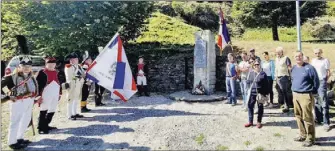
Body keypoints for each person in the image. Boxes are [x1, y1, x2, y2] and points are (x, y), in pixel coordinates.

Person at [1, 35, 38, 149]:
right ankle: (12, 142)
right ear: (19, 66)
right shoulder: (12, 77)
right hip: (17, 101)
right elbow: (3, 87)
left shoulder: (31, 76)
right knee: (15, 121)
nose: (26, 68)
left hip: (29, 101)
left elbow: (33, 88)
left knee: (25, 119)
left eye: (28, 66)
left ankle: (20, 138)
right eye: (24, 66)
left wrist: (34, 97)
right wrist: (11, 96)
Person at [291, 51, 319, 147]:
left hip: (306, 95)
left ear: (302, 57)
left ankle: (311, 138)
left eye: (299, 56)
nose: (298, 58)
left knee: (307, 117)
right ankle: (302, 134)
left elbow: (316, 81)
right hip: (295, 94)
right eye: (296, 56)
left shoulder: (309, 68)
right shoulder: (294, 68)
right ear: (294, 58)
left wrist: (313, 91)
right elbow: (293, 79)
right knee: (298, 115)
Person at [35, 57, 62, 134]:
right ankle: (41, 127)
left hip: (55, 93)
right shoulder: (42, 72)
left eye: (53, 64)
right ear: (46, 64)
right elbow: (37, 85)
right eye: (49, 64)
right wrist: (38, 95)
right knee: (44, 110)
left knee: (52, 109)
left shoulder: (57, 72)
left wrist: (60, 93)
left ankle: (46, 124)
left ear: (55, 64)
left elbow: (59, 83)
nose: (51, 65)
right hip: (45, 94)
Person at [311, 48, 331, 132]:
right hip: (314, 81)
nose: (317, 54)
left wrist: (325, 80)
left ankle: (326, 122)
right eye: (315, 53)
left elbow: (328, 72)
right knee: (316, 101)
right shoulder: (313, 61)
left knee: (323, 101)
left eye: (318, 53)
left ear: (321, 53)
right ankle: (319, 119)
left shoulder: (325, 60)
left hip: (322, 81)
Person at [245, 60, 269, 128]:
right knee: (250, 106)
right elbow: (248, 82)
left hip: (260, 93)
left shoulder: (263, 74)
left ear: (260, 65)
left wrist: (265, 94)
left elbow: (266, 84)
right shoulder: (251, 73)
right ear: (253, 66)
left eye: (258, 64)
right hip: (252, 92)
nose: (256, 66)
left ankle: (259, 122)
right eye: (255, 65)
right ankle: (250, 121)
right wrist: (248, 89)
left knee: (260, 107)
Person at [64, 52, 85, 120]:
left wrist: (83, 75)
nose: (75, 60)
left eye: (76, 59)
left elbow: (83, 73)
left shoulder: (79, 66)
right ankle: (69, 115)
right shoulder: (68, 67)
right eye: (73, 59)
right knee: (70, 100)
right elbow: (70, 77)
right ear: (70, 60)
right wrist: (80, 76)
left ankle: (74, 113)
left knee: (76, 99)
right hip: (71, 85)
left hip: (78, 84)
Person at [275, 47, 292, 113]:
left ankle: (287, 106)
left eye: (279, 52)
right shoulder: (276, 59)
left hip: (284, 77)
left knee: (285, 92)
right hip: (278, 77)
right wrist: (275, 77)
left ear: (282, 52)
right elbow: (276, 68)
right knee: (280, 92)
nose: (278, 53)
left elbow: (289, 68)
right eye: (277, 52)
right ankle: (282, 104)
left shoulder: (286, 58)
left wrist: (290, 76)